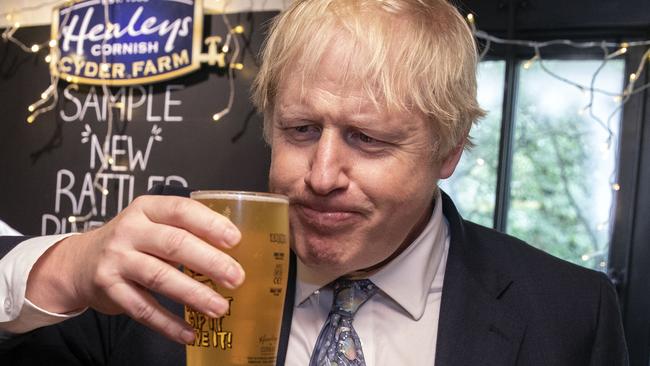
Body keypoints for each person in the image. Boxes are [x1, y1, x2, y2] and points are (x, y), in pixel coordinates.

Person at [0, 0, 628, 364]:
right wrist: (62, 269)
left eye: (369, 138)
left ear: (449, 150)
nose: (320, 177)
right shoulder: (161, 286)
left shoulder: (571, 314)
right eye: (301, 130)